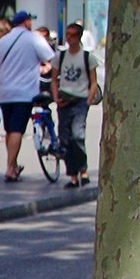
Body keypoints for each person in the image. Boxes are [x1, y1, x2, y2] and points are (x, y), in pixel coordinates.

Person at [0, 10, 55, 182]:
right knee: (17, 129)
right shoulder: (33, 38)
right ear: (26, 22)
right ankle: (10, 168)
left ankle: (12, 164)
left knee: (10, 130)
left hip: (5, 93)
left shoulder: (3, 41)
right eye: (29, 21)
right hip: (24, 92)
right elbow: (51, 59)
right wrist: (44, 69)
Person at [52, 21, 100, 188]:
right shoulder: (61, 56)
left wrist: (88, 100)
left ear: (79, 37)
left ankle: (83, 171)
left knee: (78, 135)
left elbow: (93, 81)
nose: (69, 38)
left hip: (80, 100)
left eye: (72, 35)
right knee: (66, 139)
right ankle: (72, 175)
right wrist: (56, 96)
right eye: (67, 35)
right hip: (64, 100)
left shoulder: (88, 57)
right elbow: (53, 78)